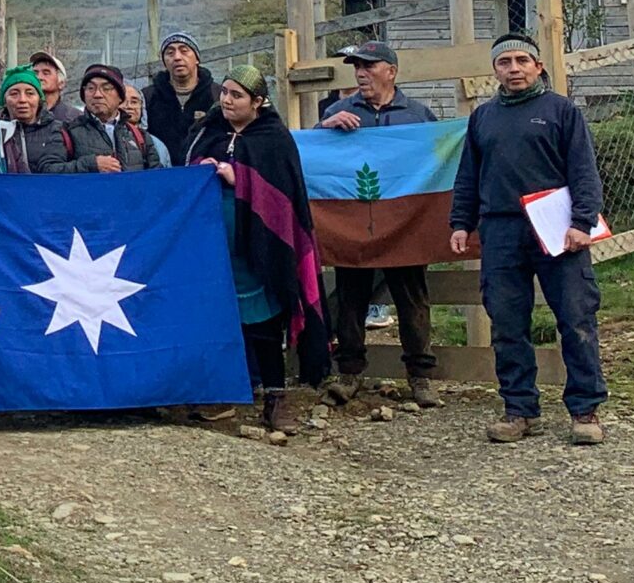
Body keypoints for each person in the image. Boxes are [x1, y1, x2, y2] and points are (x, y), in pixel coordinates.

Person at [452, 34, 608, 446]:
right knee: (506, 322)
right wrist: (460, 223)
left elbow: (584, 173)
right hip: (501, 229)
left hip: (557, 229)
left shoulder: (562, 112)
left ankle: (585, 409)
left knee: (576, 318)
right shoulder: (483, 117)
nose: (514, 68)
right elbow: (469, 174)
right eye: (505, 62)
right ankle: (520, 409)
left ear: (538, 66)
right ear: (495, 70)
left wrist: (582, 222)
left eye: (523, 60)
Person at [206, 65, 332, 443]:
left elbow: (283, 197)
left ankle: (275, 398)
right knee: (220, 320)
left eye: (237, 95)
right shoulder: (210, 132)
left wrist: (237, 177)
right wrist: (202, 169)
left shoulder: (274, 139)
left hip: (260, 249)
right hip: (216, 249)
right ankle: (222, 394)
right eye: (224, 92)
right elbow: (188, 165)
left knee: (263, 323)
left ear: (258, 102)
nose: (227, 100)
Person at [315, 42, 445, 409]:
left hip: (405, 225)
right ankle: (349, 374)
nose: (360, 72)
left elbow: (439, 161)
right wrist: (324, 128)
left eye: (369, 65)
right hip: (355, 224)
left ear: (391, 70)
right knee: (351, 297)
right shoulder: (337, 111)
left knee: (412, 299)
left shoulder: (418, 115)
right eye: (357, 66)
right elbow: (310, 157)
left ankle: (421, 377)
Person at [0, 65, 96, 174]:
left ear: (39, 99)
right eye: (14, 94)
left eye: (30, 93)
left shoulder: (55, 130)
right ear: (4, 100)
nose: (22, 100)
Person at [145, 33, 221, 165]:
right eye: (170, 53)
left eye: (184, 51)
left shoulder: (218, 95)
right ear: (164, 62)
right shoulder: (148, 96)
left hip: (205, 172)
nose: (177, 57)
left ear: (197, 58)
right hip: (160, 174)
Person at [75, 63, 152, 171]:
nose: (97, 94)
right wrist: (90, 164)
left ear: (120, 97)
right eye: (91, 88)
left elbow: (157, 178)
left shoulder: (140, 136)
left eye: (106, 88)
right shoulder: (68, 133)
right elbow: (50, 171)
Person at [29, 51, 77, 127]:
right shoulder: (23, 115)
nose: (39, 77)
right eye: (35, 73)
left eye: (46, 73)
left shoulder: (74, 118)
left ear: (61, 83)